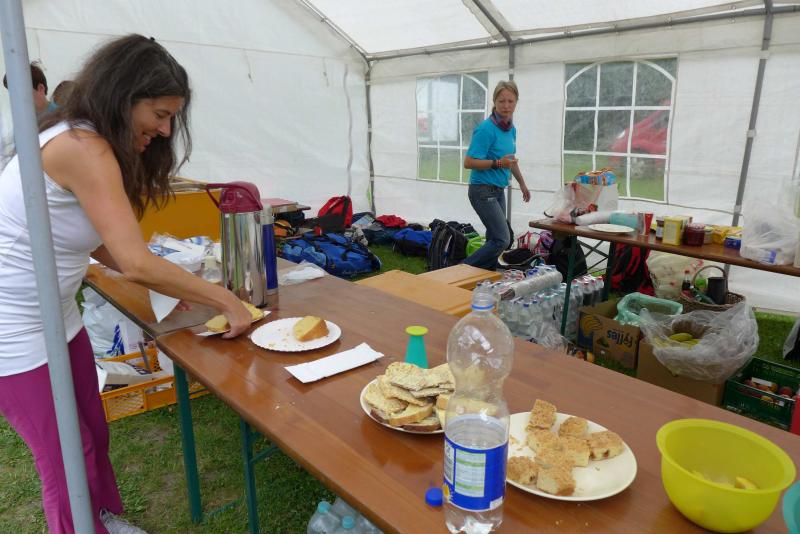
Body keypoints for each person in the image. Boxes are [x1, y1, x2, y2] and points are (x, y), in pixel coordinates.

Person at [0, 35, 252, 534]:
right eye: (159, 114)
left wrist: (172, 285)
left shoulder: (81, 137)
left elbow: (100, 244)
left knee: (92, 429)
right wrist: (225, 299)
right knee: (65, 454)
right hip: (13, 332)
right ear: (122, 96)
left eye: (172, 117)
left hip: (56, 315)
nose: (165, 130)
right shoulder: (82, 147)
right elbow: (135, 261)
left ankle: (99, 519)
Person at [462, 80, 531, 270]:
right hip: (482, 190)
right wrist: (497, 163)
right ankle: (460, 269)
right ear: (494, 102)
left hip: (498, 191)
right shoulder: (486, 129)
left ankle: (485, 274)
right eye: (501, 101)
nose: (506, 106)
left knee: (494, 238)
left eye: (510, 101)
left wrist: (522, 184)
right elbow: (468, 162)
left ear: (516, 102)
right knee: (503, 239)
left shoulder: (511, 129)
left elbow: (511, 160)